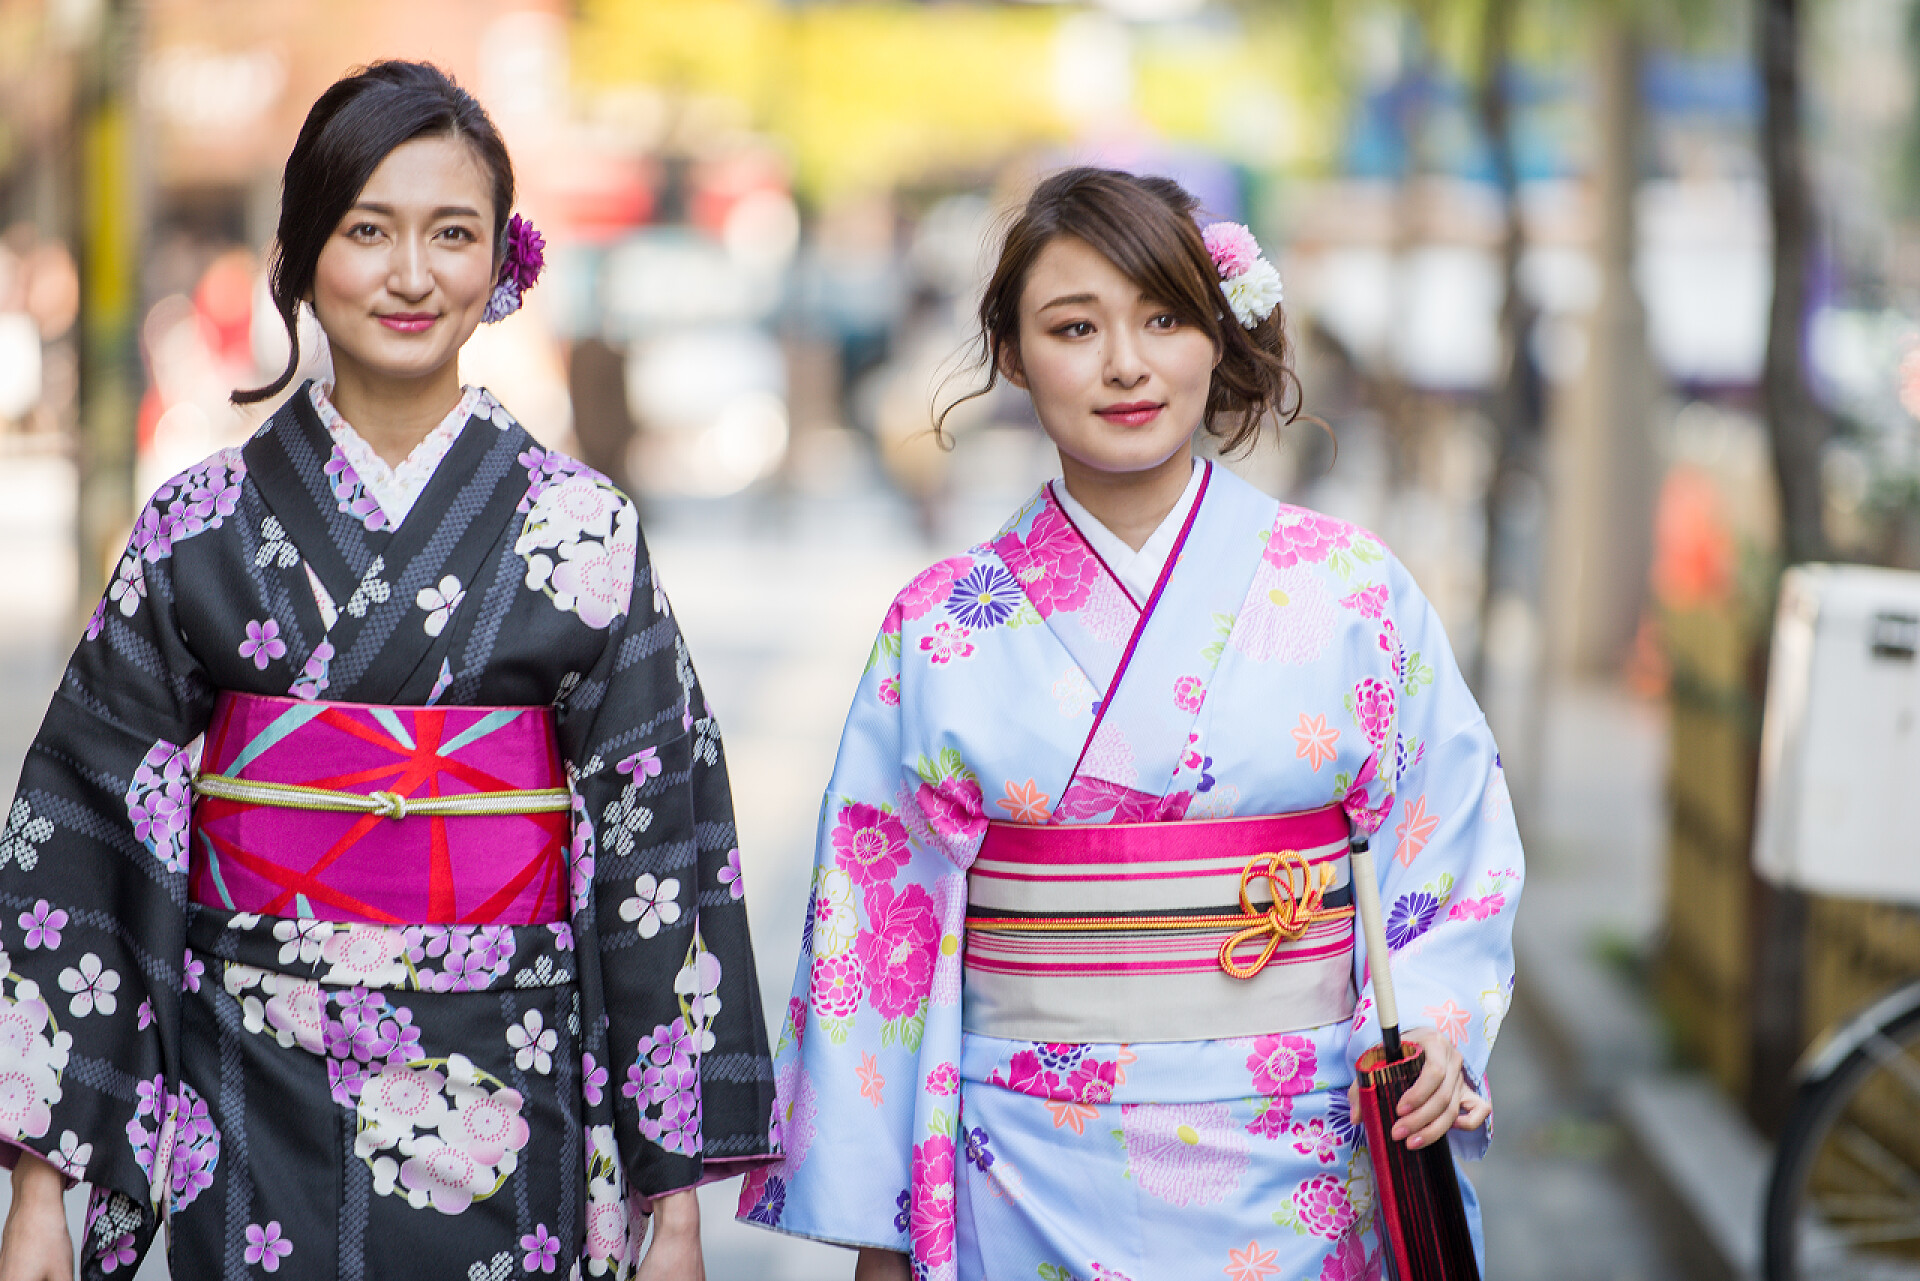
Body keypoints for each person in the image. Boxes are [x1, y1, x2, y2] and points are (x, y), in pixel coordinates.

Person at [0, 61, 774, 1281]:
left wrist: (668, 1196)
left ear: (501, 263)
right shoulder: (197, 526)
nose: (412, 275)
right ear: (302, 251)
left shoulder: (581, 533)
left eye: (451, 234)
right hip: (252, 1089)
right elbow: (85, 833)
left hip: (508, 1086)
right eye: (368, 230)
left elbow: (658, 854)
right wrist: (47, 1183)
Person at [736, 168, 1520, 1281]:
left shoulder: (1349, 591)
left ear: (1216, 333)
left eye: (1163, 318)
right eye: (1074, 326)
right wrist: (886, 1229)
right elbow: (876, 943)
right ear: (1012, 352)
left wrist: (1434, 1017)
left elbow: (1449, 829)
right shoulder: (943, 630)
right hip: (1024, 1171)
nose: (1126, 363)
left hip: (1297, 1159)